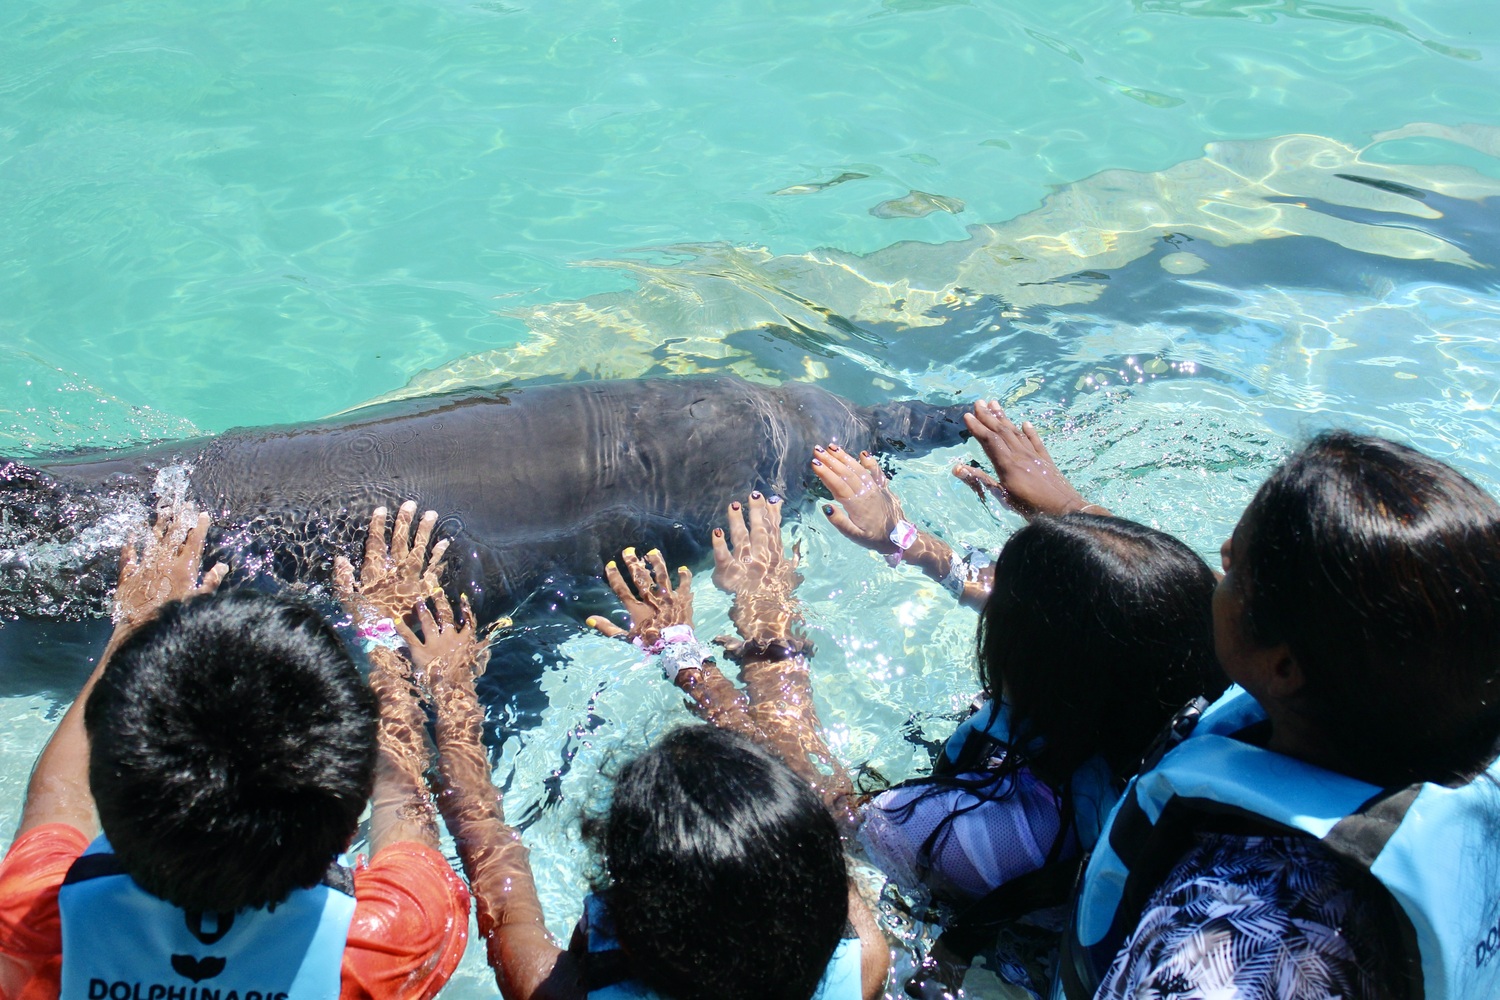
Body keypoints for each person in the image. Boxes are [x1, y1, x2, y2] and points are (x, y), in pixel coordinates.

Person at [366, 493, 889, 1000]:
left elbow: (485, 844)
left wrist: (429, 675)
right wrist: (713, 641)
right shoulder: (864, 964)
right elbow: (808, 800)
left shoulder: (558, 993)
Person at [1055, 432, 1500, 1000]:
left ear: (1284, 667)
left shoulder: (1232, 947)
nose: (1221, 552)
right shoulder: (1438, 701)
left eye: (1237, 564)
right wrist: (1078, 514)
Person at [804, 405, 1220, 997]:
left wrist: (741, 650)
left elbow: (831, 822)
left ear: (1013, 660)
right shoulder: (1215, 709)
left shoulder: (958, 832)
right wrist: (908, 540)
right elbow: (1114, 628)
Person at [0, 501, 470, 1000]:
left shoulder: (35, 929)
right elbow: (402, 806)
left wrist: (136, 627)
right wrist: (386, 640)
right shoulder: (385, 945)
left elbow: (58, 794)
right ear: (352, 823)